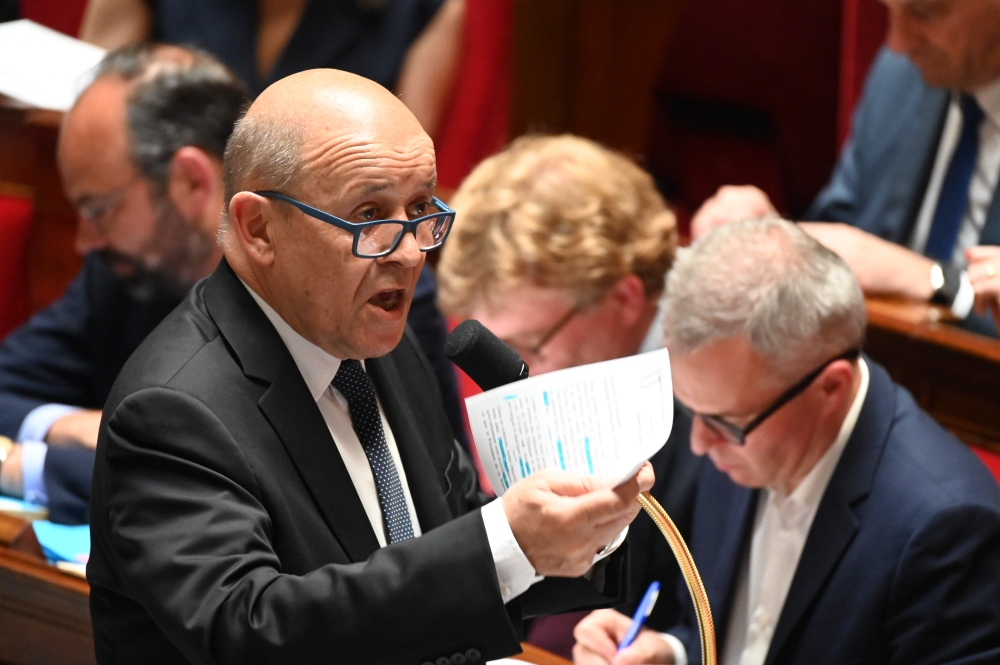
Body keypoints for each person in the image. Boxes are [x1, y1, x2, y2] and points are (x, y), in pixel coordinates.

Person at [87, 69, 655, 664]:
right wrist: (502, 545)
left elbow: (442, 540)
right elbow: (251, 630)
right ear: (259, 229)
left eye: (420, 208)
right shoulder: (174, 409)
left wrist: (584, 528)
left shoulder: (380, 346)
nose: (411, 252)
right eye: (370, 215)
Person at [0, 43, 465, 525]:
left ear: (191, 182)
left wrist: (33, 464)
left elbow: (440, 498)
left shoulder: (377, 296)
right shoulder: (123, 271)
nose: (84, 240)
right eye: (368, 216)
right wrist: (66, 426)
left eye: (100, 209)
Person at [573, 218, 1000, 665]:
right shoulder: (744, 419)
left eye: (722, 423)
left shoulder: (947, 528)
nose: (698, 444)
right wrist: (671, 653)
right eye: (690, 412)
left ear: (831, 388)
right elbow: (724, 628)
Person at [437, 134, 701, 655]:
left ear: (624, 298)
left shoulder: (716, 404)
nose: (516, 375)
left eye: (527, 345)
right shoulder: (593, 364)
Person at [691, 0, 1000, 337]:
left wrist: (935, 281)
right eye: (889, 11)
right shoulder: (903, 75)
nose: (896, 42)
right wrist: (778, 239)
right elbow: (845, 237)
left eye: (923, 13)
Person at [79, 0, 464, 138]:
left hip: (330, 255)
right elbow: (91, 125)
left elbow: (404, 171)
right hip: (160, 235)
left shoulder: (423, 9)